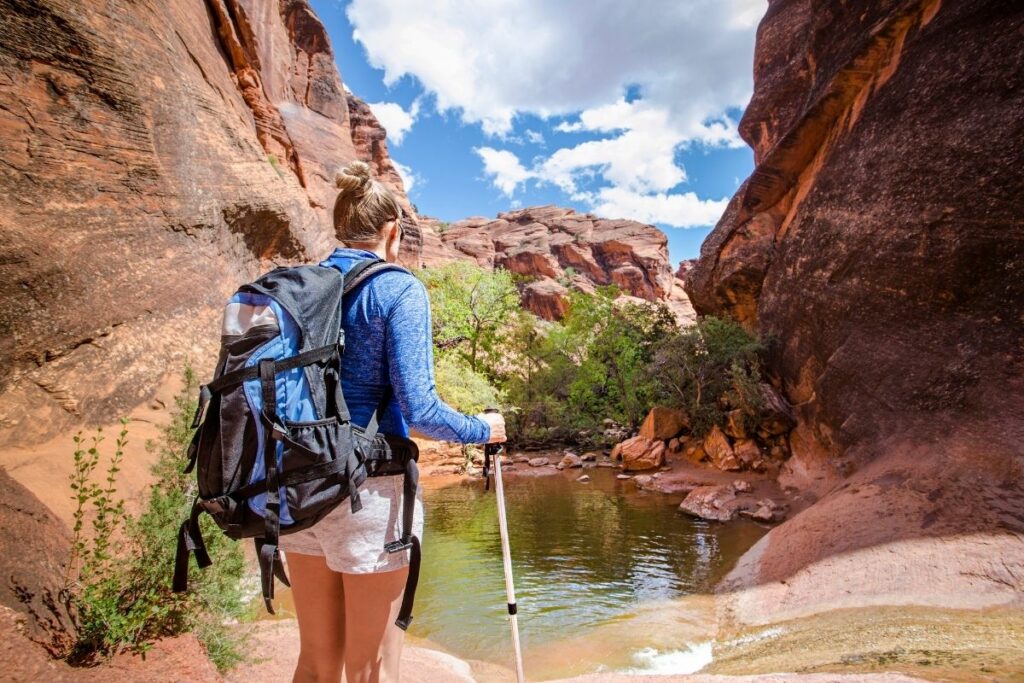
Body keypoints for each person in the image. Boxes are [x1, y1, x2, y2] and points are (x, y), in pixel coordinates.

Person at [280, 160, 505, 683]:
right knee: (370, 667)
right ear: (392, 232)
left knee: (315, 663)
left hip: (296, 488)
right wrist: (484, 429)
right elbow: (421, 410)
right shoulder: (397, 289)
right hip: (369, 494)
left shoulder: (301, 287)